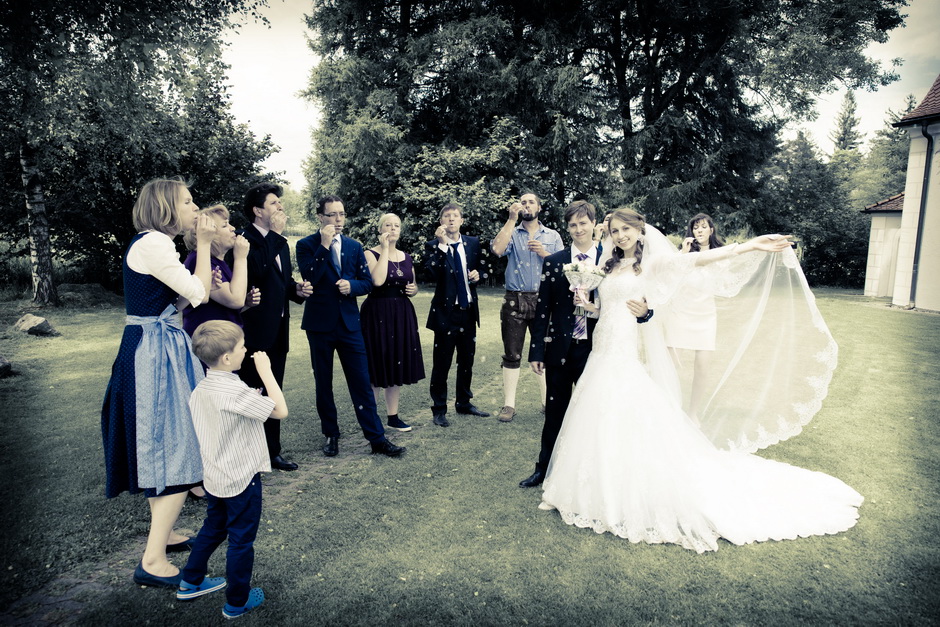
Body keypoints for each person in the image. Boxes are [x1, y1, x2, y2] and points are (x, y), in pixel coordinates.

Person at [538, 207, 863, 553]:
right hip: (601, 349)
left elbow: (697, 262)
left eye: (625, 230)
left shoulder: (653, 264)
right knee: (594, 416)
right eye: (614, 231)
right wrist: (586, 305)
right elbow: (607, 310)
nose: (620, 236)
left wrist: (749, 245)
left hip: (625, 352)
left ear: (638, 229)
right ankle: (582, 490)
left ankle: (624, 492)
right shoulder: (609, 265)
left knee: (623, 412)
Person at [101, 177, 214, 588]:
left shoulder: (152, 244)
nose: (194, 207)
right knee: (174, 443)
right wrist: (202, 245)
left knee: (163, 443)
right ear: (167, 207)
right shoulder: (155, 243)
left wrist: (191, 291)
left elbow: (173, 301)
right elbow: (198, 293)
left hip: (155, 346)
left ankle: (163, 536)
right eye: (187, 201)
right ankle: (151, 561)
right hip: (153, 354)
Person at [521, 201, 650, 488]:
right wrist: (537, 351)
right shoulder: (554, 261)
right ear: (567, 229)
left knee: (595, 413)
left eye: (583, 223)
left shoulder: (611, 259)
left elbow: (635, 299)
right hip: (561, 347)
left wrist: (645, 313)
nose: (579, 229)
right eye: (572, 225)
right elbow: (543, 309)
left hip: (597, 348)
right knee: (555, 411)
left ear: (594, 224)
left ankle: (593, 474)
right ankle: (544, 468)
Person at [177, 320, 286, 618]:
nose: (246, 350)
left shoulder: (203, 387)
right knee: (241, 539)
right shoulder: (233, 393)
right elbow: (280, 410)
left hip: (215, 477)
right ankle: (237, 602)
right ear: (227, 357)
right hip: (241, 478)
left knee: (214, 528)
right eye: (241, 347)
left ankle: (190, 581)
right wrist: (266, 371)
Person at [296, 195, 406, 458]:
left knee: (361, 381)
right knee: (324, 383)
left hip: (349, 325)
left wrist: (351, 286)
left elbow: (367, 283)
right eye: (332, 215)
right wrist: (323, 246)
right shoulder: (305, 245)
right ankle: (331, 435)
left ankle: (377, 438)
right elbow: (310, 275)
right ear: (320, 216)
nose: (338, 220)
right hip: (319, 325)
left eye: (342, 214)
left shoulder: (354, 246)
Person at [238, 183, 312, 472]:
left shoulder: (278, 244)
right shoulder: (245, 242)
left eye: (280, 203)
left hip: (279, 330)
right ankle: (249, 456)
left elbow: (277, 282)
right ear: (258, 211)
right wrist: (278, 236)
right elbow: (255, 271)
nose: (280, 207)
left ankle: (272, 453)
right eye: (273, 204)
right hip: (254, 332)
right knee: (252, 392)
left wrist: (297, 290)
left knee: (273, 389)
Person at [490, 192, 564, 422]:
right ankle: (509, 405)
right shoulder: (512, 231)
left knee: (546, 352)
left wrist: (545, 253)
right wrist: (511, 220)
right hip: (515, 298)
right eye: (523, 202)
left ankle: (547, 402)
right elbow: (497, 249)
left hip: (545, 299)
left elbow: (563, 268)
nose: (526, 204)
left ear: (539, 208)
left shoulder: (552, 235)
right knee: (512, 354)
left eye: (531, 201)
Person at [425, 202, 490, 427]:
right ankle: (439, 409)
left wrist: (478, 275)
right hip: (446, 312)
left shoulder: (472, 243)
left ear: (462, 220)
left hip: (468, 311)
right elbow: (433, 272)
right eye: (447, 216)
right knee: (441, 362)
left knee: (466, 360)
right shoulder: (433, 245)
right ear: (441, 221)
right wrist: (443, 246)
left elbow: (484, 268)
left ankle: (464, 402)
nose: (451, 219)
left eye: (455, 216)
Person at [360, 213, 425, 432]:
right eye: (388, 224)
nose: (393, 228)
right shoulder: (370, 254)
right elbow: (377, 281)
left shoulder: (406, 257)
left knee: (396, 363)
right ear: (380, 229)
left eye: (397, 225)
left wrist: (414, 290)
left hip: (401, 314)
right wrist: (385, 249)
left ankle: (393, 416)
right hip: (377, 313)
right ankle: (372, 419)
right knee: (376, 366)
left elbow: (413, 284)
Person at [663, 212, 724, 421]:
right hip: (681, 313)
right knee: (671, 363)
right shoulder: (685, 254)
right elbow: (671, 279)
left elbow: (722, 281)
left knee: (703, 366)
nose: (699, 231)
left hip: (706, 316)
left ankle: (693, 412)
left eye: (703, 227)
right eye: (696, 227)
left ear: (711, 230)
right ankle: (668, 407)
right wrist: (683, 253)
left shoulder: (719, 254)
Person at [181, 204, 260, 337]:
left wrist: (246, 302)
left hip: (217, 340)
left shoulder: (217, 261)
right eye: (224, 226)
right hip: (208, 344)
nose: (232, 228)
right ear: (210, 235)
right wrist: (241, 258)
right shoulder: (199, 261)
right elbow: (235, 300)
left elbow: (226, 305)